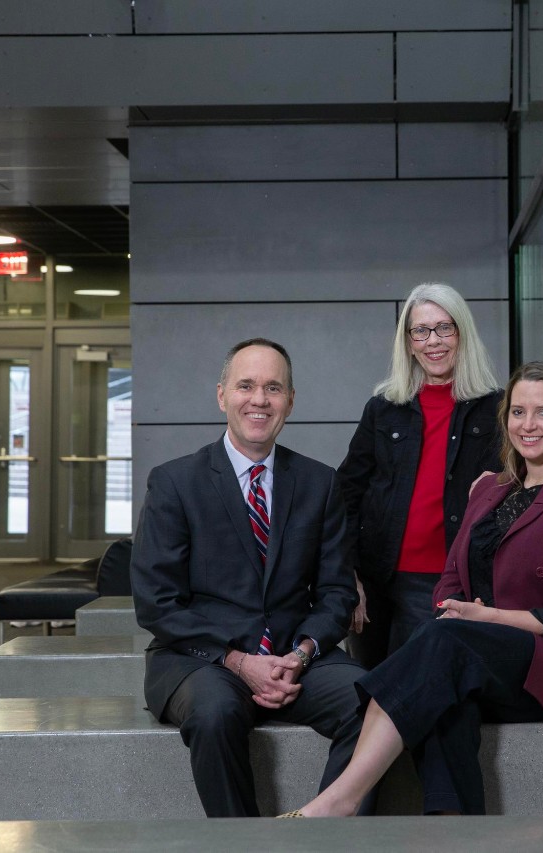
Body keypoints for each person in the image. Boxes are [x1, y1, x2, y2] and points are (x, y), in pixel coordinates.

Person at [287, 361, 543, 817]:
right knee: (446, 696)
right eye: (518, 412)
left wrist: (490, 619)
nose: (528, 425)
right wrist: (456, 610)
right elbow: (451, 577)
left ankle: (340, 800)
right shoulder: (492, 490)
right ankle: (452, 832)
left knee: (443, 646)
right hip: (478, 657)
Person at [131, 338, 368, 818]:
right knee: (215, 714)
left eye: (273, 388)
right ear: (222, 395)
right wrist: (238, 660)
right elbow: (157, 602)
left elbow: (337, 593)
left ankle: (327, 838)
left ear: (290, 401)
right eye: (246, 385)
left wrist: (299, 655)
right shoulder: (176, 482)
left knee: (374, 703)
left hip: (294, 656)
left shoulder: (320, 483)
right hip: (204, 660)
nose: (259, 399)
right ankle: (244, 845)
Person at [337, 282, 503, 668]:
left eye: (445, 328)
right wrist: (348, 575)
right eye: (421, 331)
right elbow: (346, 495)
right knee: (369, 688)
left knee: (409, 698)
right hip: (378, 579)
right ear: (408, 342)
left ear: (463, 333)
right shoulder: (383, 408)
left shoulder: (496, 408)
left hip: (446, 580)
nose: (433, 341)